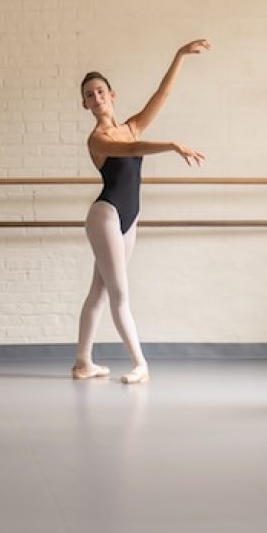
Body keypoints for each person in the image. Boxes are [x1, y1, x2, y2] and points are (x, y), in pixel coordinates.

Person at [73, 39, 210, 384]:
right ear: (85, 104)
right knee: (120, 294)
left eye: (100, 90)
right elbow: (131, 149)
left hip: (128, 219)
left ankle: (83, 363)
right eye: (89, 94)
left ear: (112, 94)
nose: (96, 97)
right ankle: (140, 364)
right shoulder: (98, 139)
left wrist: (178, 56)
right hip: (105, 215)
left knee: (100, 292)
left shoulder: (131, 125)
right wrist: (171, 145)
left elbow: (160, 97)